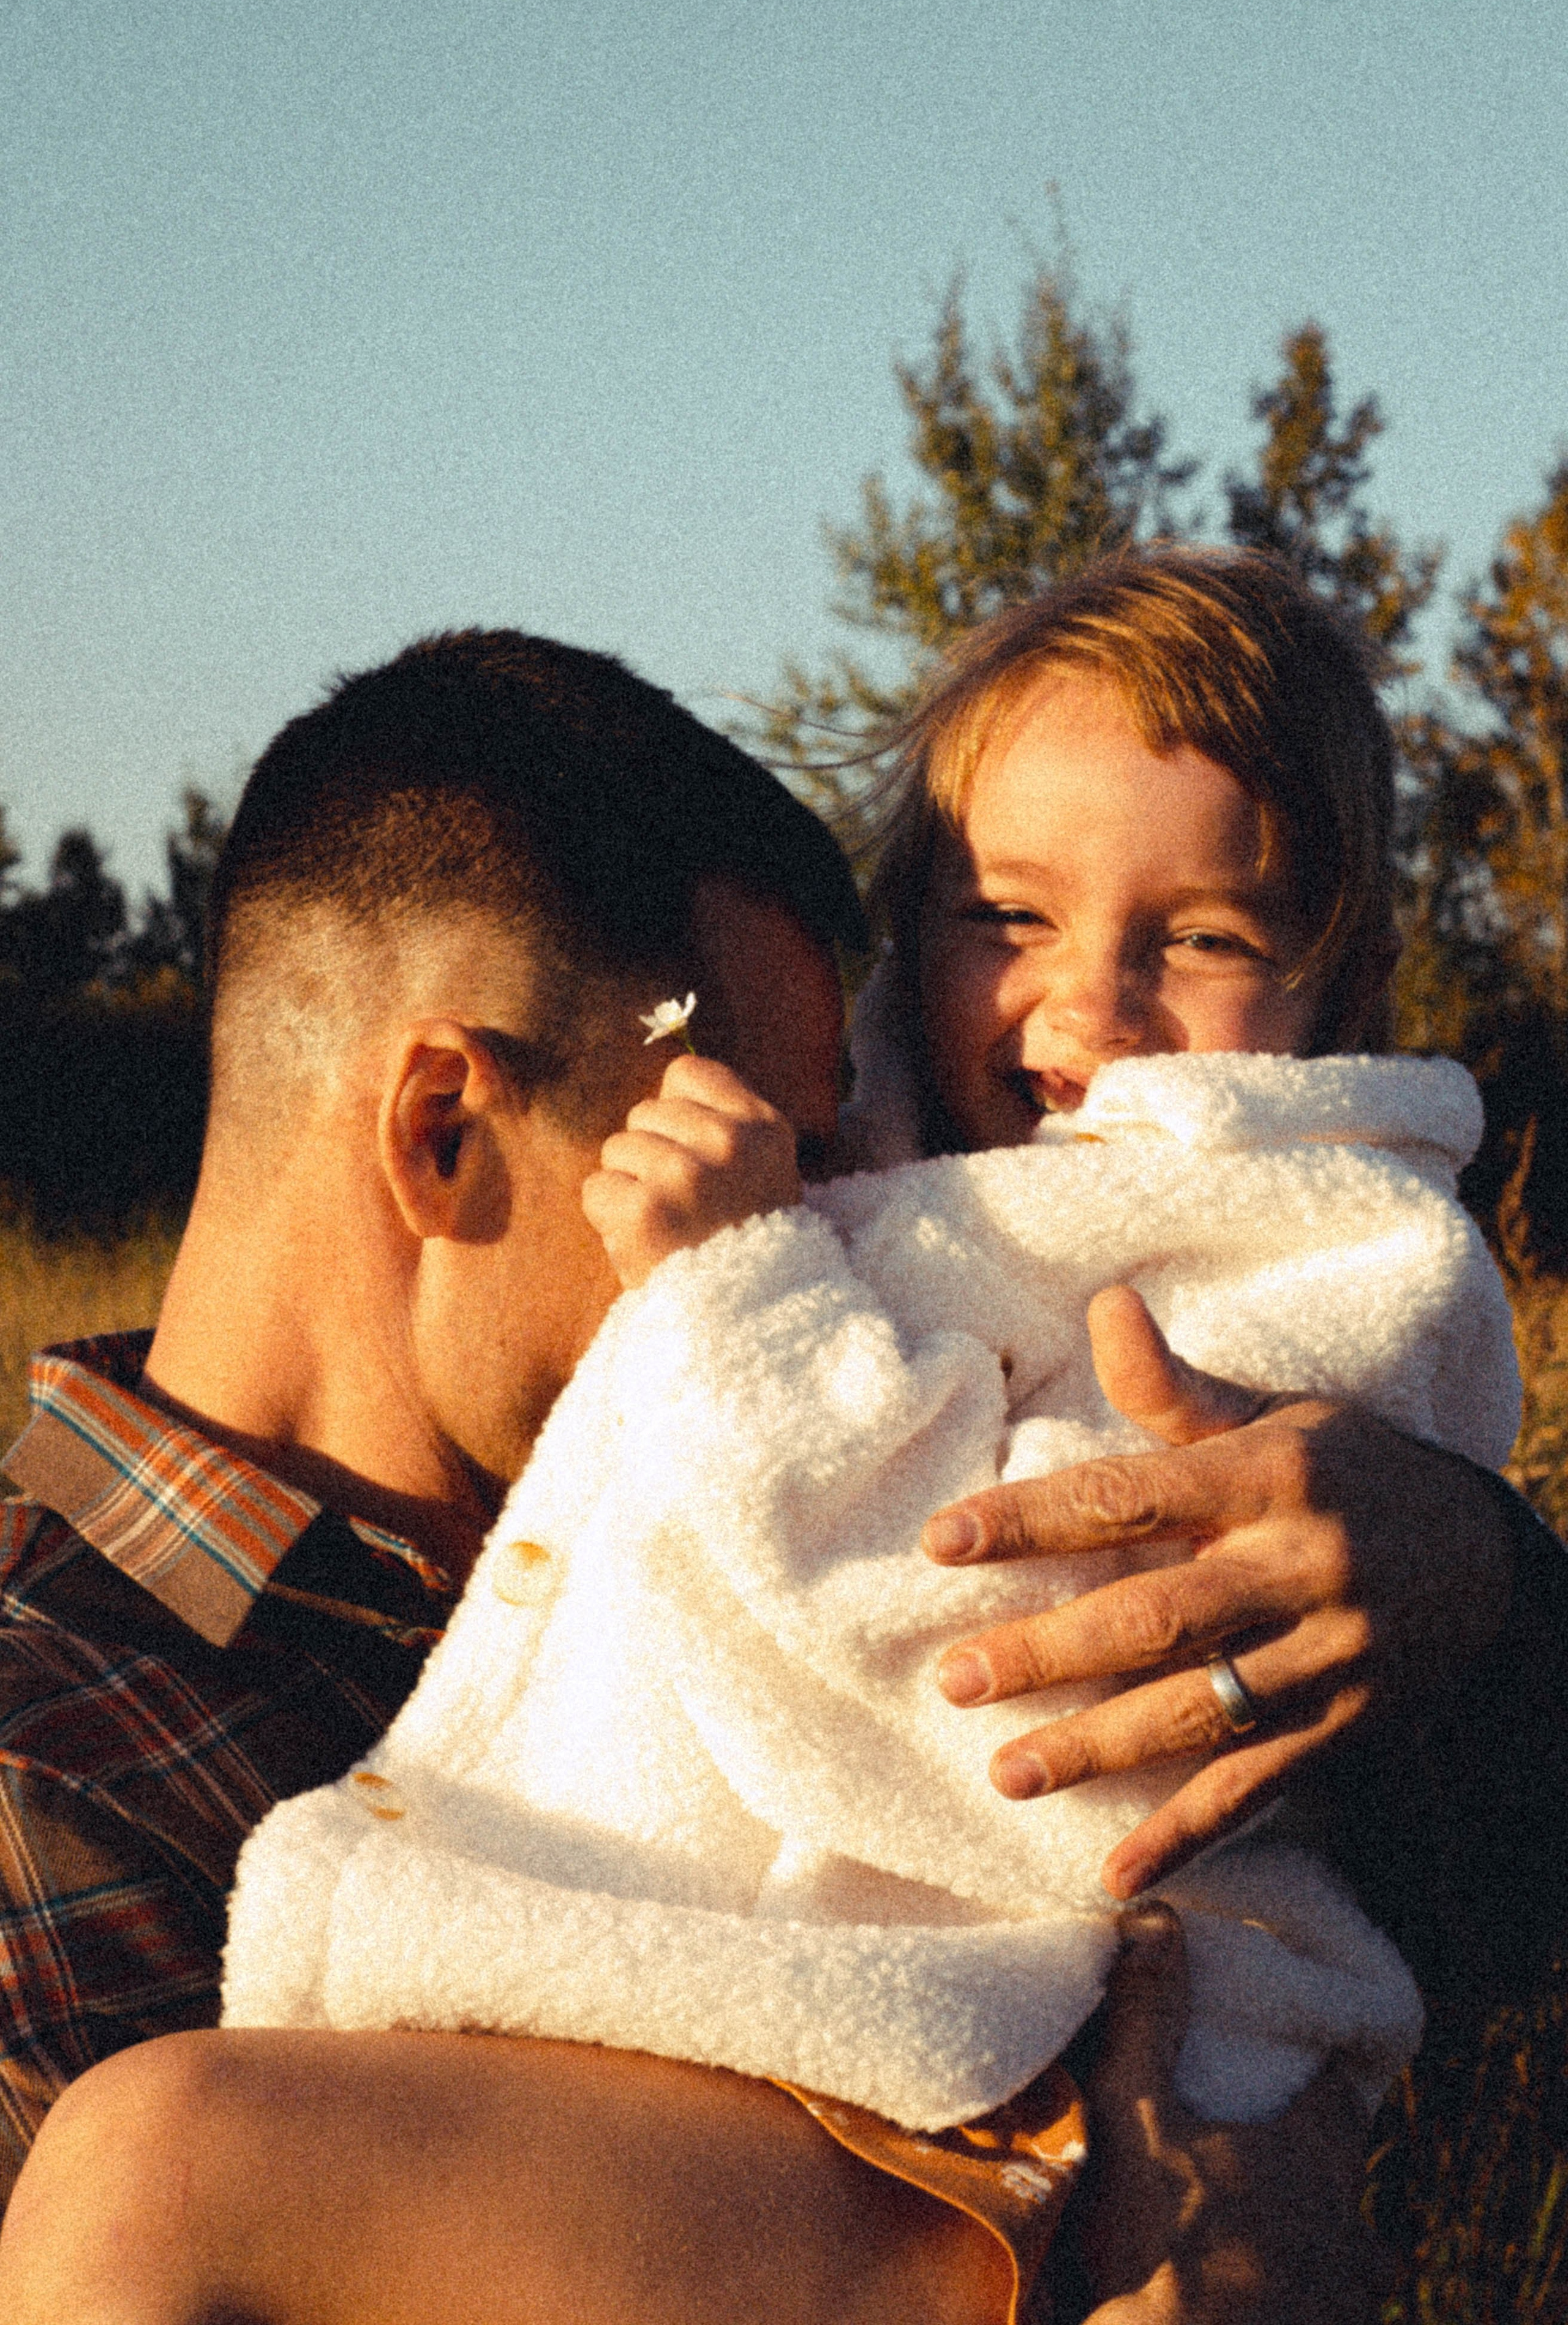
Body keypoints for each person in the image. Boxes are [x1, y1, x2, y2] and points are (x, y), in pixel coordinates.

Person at [0, 622, 1559, 2323]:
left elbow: (1428, 1901)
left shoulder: (845, 1426)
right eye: (779, 1156)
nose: (811, 1234)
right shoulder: (48, 1782)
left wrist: (1478, 1580)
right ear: (444, 1130)